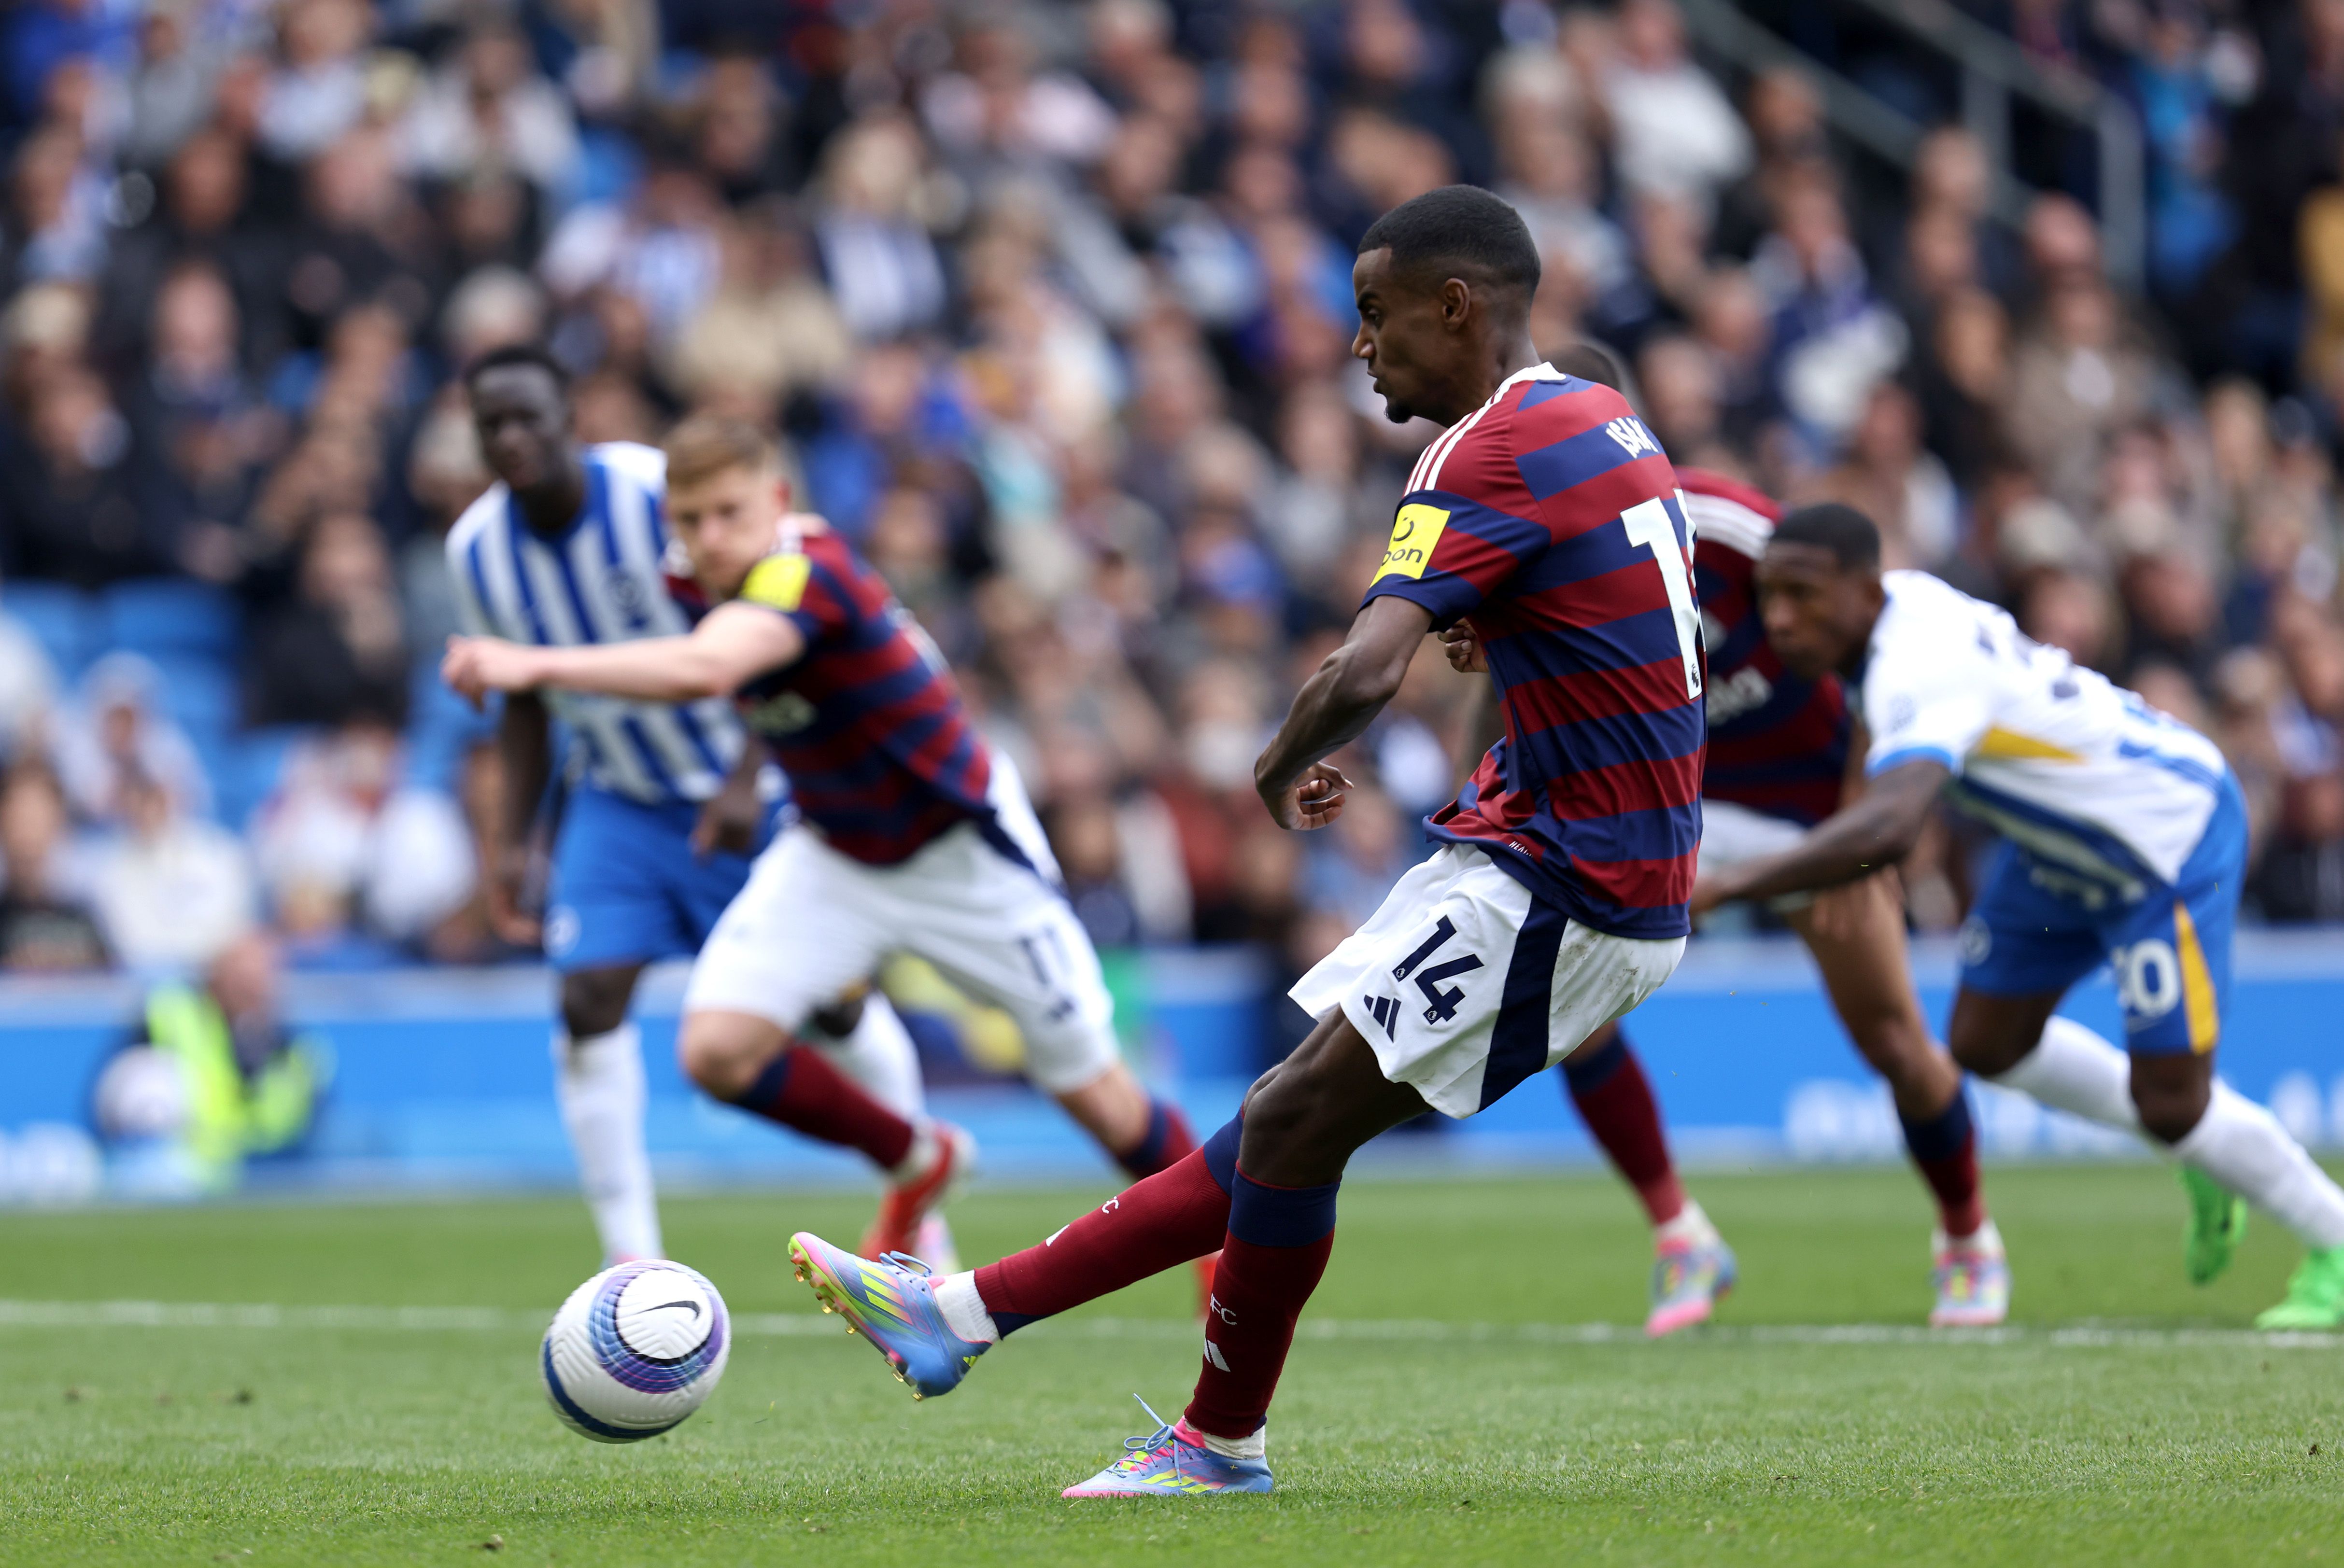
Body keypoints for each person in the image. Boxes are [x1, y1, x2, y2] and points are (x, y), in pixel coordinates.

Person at [780, 184, 1705, 1496]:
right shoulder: (1600, 417)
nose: (1356, 346)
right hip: (1569, 854)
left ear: (1458, 306)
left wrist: (1272, 769)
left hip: (1569, 877)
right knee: (1289, 1127)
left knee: (1288, 1121)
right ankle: (1049, 1361)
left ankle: (1016, 1344)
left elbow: (1366, 662)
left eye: (1375, 316)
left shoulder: (1477, 451)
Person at [439, 410, 1207, 1285]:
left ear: (776, 500)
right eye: (689, 521)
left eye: (730, 513)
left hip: (957, 849)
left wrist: (531, 664)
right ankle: (918, 1159)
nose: (710, 538)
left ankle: (1218, 1246)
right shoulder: (691, 578)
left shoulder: (808, 572)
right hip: (836, 848)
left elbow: (709, 669)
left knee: (1094, 1097)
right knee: (716, 1050)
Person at [1446, 352, 2005, 1329]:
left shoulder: (1720, 522)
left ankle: (1967, 1236)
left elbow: (1879, 632)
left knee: (1888, 1035)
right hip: (1665, 812)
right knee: (1567, 1013)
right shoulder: (1526, 553)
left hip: (1809, 807)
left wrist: (1857, 818)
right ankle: (1682, 1237)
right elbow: (1497, 702)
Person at [1693, 503, 2344, 1330]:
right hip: (2060, 849)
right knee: (1982, 1043)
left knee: (2174, 1104)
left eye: (1802, 595)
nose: (1779, 618)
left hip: (2162, 841)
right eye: (1767, 596)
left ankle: (2331, 1239)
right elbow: (1884, 766)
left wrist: (1726, 886)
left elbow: (1893, 829)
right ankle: (2204, 1144)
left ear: (1863, 589)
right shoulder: (1893, 615)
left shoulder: (1915, 661)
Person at [442, 343, 962, 1267]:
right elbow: (521, 694)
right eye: (494, 425)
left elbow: (782, 626)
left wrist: (744, 777)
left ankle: (921, 1211)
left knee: (833, 1005)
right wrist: (514, 839)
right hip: (620, 796)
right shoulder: (477, 551)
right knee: (589, 993)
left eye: (530, 417)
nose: (513, 438)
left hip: (749, 779)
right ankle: (630, 1263)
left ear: (573, 416)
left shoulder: (656, 496)